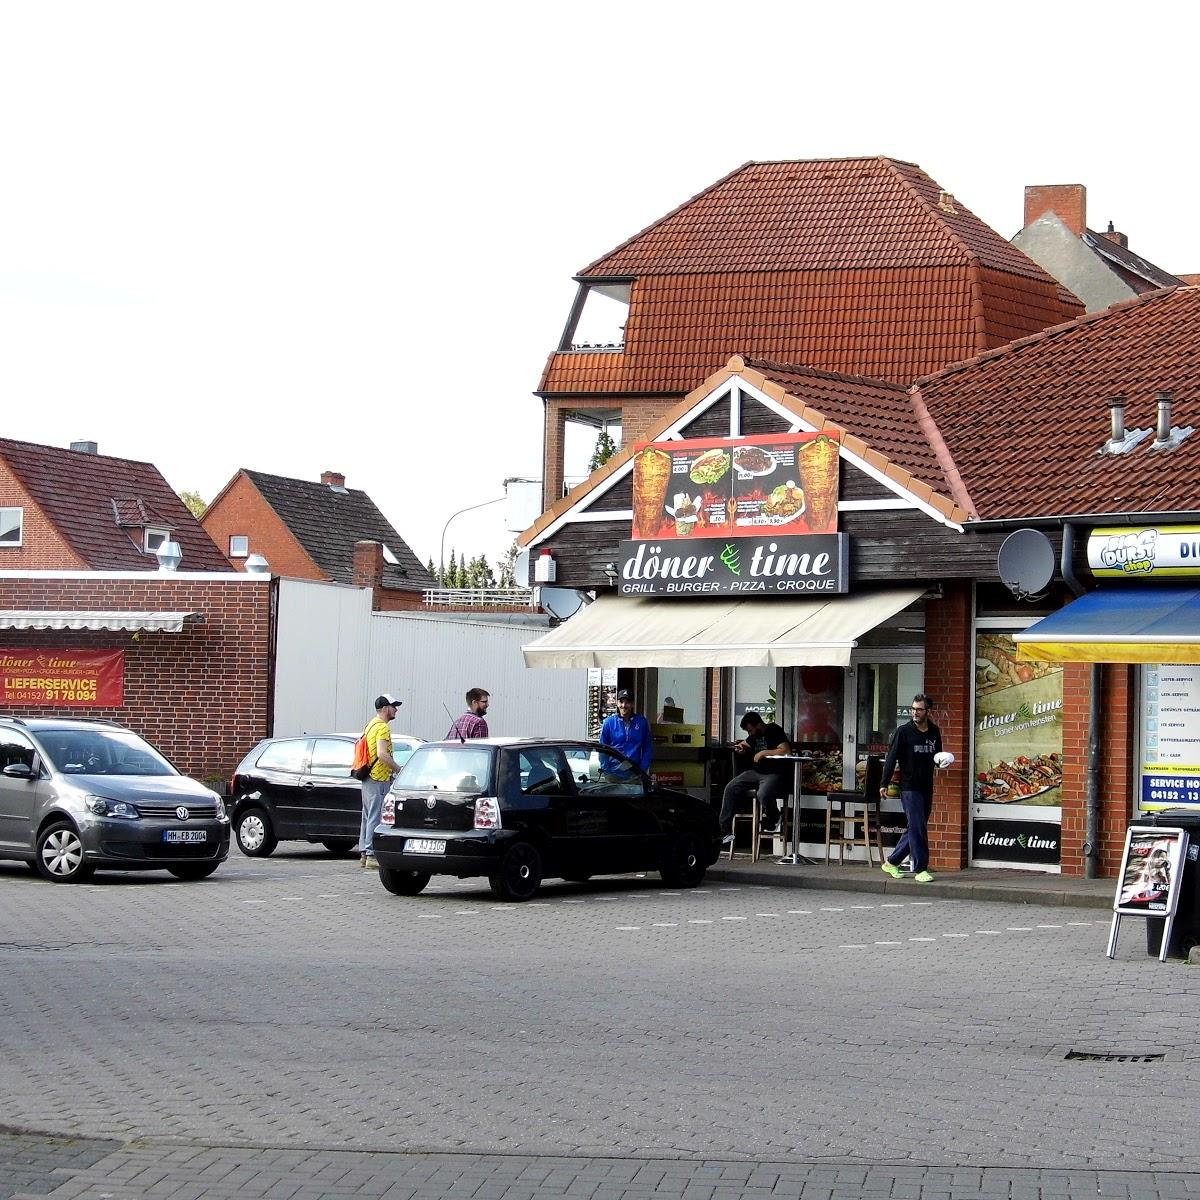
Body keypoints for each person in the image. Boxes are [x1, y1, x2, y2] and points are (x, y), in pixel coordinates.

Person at [879, 693, 943, 883]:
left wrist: (943, 761)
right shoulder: (903, 732)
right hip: (909, 787)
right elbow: (891, 758)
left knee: (916, 827)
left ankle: (891, 862)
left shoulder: (934, 732)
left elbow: (937, 757)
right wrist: (884, 783)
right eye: (913, 709)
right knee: (917, 828)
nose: (915, 713)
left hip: (926, 786)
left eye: (919, 709)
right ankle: (920, 868)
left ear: (927, 711)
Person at [719, 712, 792, 845]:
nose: (750, 734)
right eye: (748, 731)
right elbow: (745, 744)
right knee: (730, 788)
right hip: (755, 772)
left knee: (763, 794)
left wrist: (764, 753)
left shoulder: (773, 730)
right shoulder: (753, 736)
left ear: (759, 724)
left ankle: (774, 816)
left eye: (751, 730)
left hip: (773, 772)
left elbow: (785, 750)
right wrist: (741, 749)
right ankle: (724, 830)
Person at [358, 693, 404, 870]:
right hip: (378, 777)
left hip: (367, 776)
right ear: (385, 709)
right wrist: (399, 769)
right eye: (394, 707)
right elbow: (382, 754)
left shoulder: (371, 725)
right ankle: (371, 855)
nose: (396, 710)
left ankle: (364, 853)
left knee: (367, 815)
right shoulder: (383, 728)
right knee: (375, 817)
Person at [599, 689, 653, 773]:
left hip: (635, 774)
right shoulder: (609, 723)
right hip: (613, 774)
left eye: (627, 702)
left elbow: (647, 748)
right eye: (621, 702)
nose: (624, 705)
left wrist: (642, 770)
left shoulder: (641, 722)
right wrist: (607, 770)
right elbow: (602, 748)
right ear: (617, 703)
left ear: (632, 704)